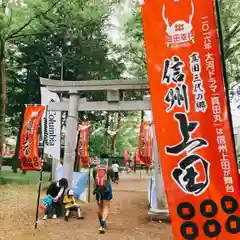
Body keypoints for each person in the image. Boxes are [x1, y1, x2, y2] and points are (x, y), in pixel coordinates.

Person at [93, 158, 113, 234]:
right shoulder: (109, 169)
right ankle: (102, 225)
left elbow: (94, 179)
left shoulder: (95, 169)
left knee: (99, 207)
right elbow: (112, 179)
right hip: (107, 189)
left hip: (98, 189)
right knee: (106, 207)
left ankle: (102, 224)